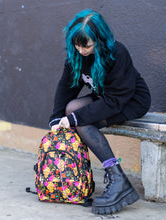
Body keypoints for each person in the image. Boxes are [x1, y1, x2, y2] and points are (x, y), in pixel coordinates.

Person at [49, 9, 151, 215]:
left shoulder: (117, 54)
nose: (80, 50)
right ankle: (109, 178)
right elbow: (66, 87)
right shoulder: (76, 55)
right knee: (71, 110)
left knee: (81, 120)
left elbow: (115, 100)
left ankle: (117, 179)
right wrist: (56, 118)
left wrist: (75, 118)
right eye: (76, 44)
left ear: (99, 40)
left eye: (85, 45)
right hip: (106, 98)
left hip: (130, 101)